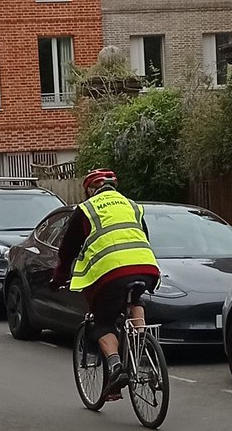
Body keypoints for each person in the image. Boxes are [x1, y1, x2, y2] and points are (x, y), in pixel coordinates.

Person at [51, 168, 160, 400]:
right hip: (146, 267)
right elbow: (144, 237)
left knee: (103, 322)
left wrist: (59, 278)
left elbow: (68, 249)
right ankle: (141, 345)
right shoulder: (132, 206)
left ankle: (115, 367)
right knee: (135, 298)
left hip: (111, 274)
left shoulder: (86, 210)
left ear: (90, 190)